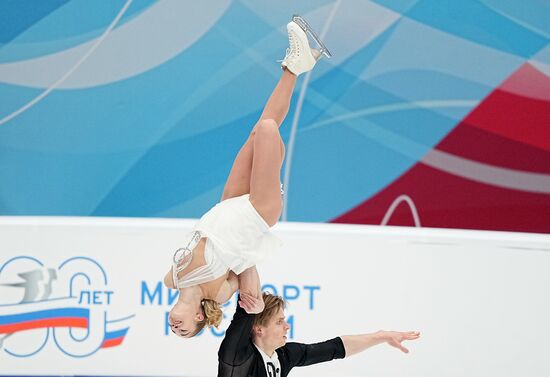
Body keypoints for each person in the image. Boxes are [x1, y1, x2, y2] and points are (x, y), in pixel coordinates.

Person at [163, 15, 331, 338]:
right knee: (268, 130)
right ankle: (296, 65)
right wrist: (251, 300)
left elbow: (176, 278)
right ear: (200, 316)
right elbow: (247, 274)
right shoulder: (218, 294)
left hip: (226, 205)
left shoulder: (170, 280)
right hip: (255, 213)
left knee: (260, 129)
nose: (176, 329)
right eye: (186, 331)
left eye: (174, 330)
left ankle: (296, 65)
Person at [218, 292, 421, 377]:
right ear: (258, 328)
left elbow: (334, 348)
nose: (286, 327)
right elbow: (244, 308)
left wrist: (380, 336)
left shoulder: (283, 356)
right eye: (279, 322)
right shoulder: (237, 356)